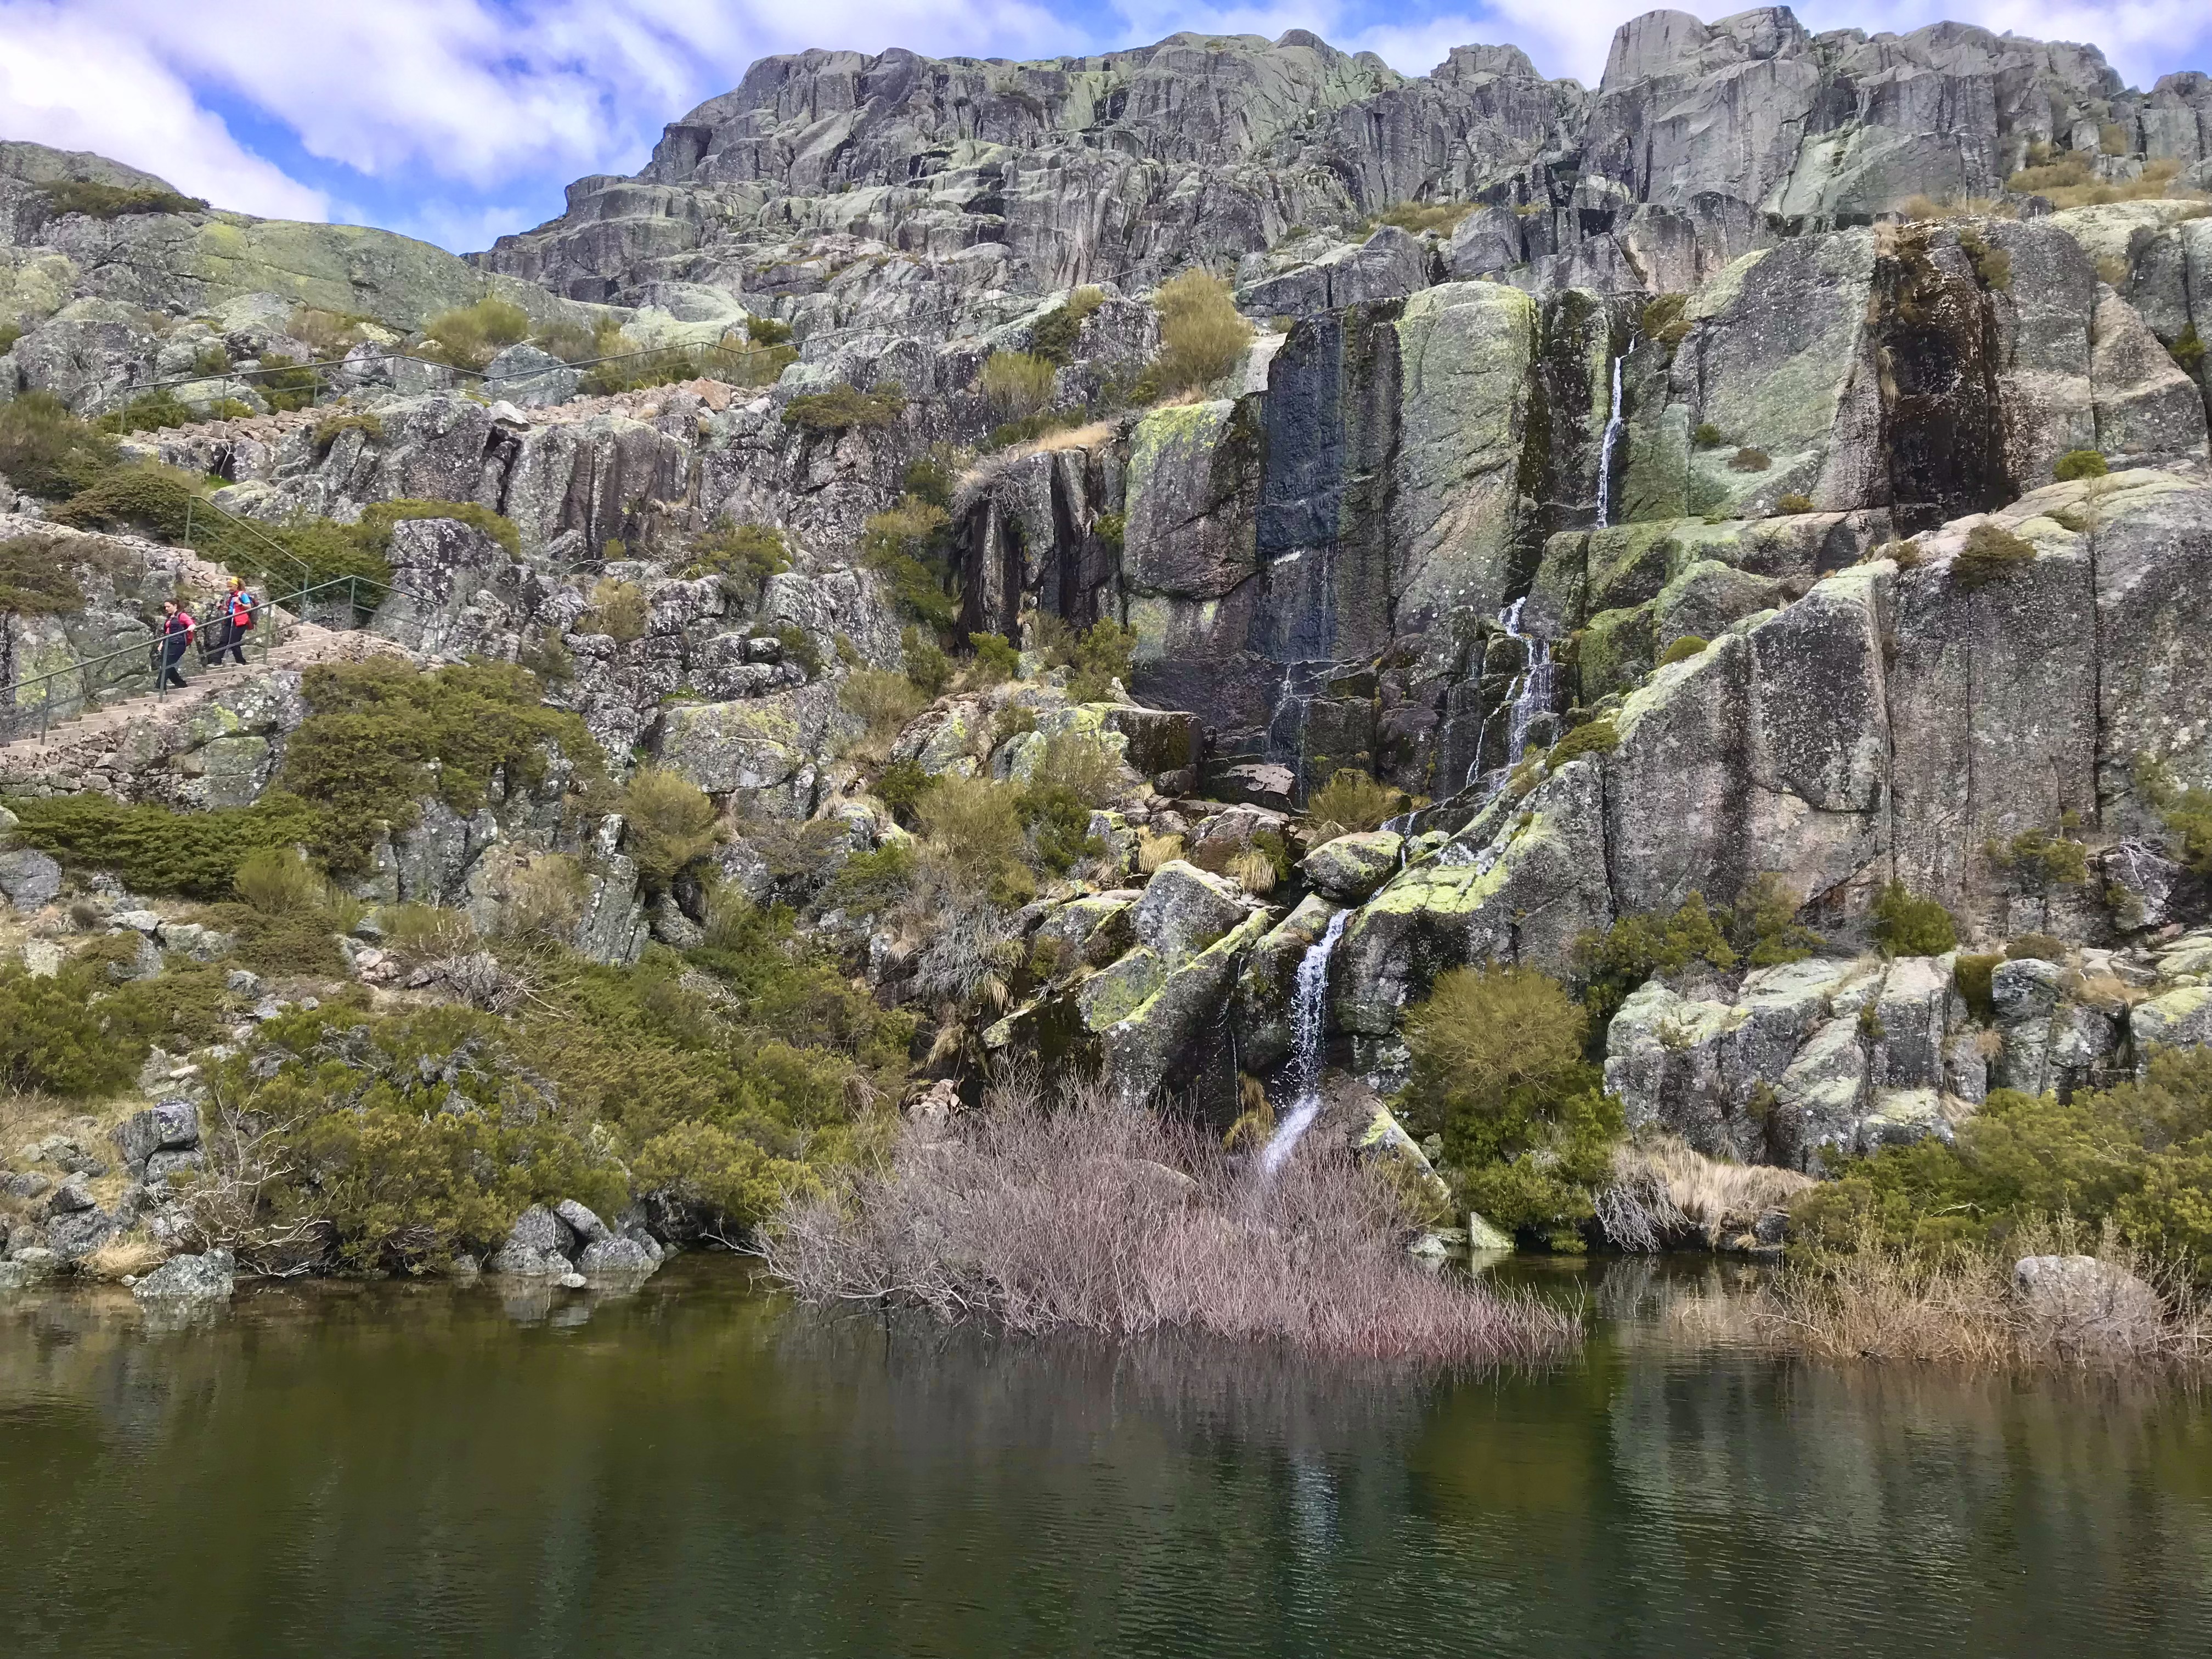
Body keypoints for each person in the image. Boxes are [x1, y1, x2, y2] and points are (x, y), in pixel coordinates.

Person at [213, 576, 255, 666]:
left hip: (240, 621)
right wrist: (221, 607)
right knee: (224, 640)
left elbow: (249, 607)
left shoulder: (242, 594)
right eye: (228, 586)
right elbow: (230, 610)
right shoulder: (230, 597)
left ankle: (241, 661)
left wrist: (240, 603)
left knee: (234, 642)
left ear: (236, 586)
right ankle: (216, 661)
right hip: (230, 619)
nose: (229, 588)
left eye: (231, 586)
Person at [155, 600, 195, 690]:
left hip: (178, 643)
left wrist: (191, 627)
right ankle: (181, 684)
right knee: (166, 663)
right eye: (165, 607)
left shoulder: (182, 616)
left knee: (167, 663)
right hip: (168, 643)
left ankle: (160, 687)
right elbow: (166, 632)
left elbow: (191, 624)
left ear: (175, 606)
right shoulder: (169, 618)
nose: (166, 609)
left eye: (168, 606)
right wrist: (162, 643)